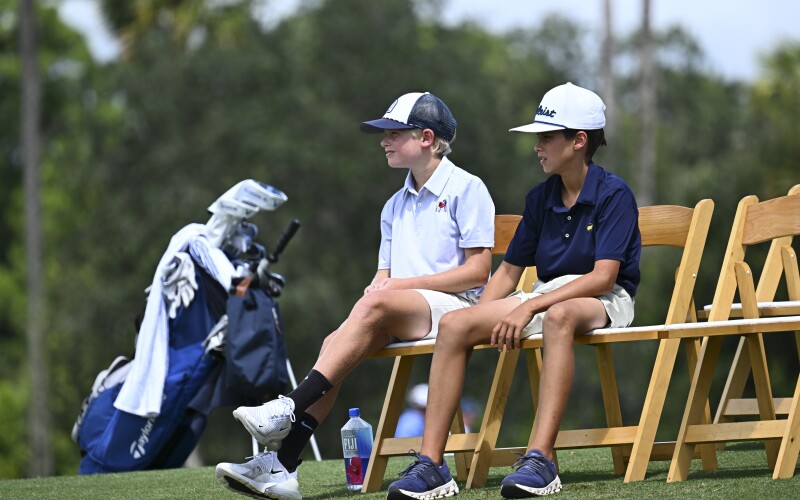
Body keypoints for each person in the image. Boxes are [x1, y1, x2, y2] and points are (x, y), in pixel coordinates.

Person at [215, 91, 496, 499]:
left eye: (394, 133)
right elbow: (382, 277)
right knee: (335, 344)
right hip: (403, 310)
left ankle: (289, 408)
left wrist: (389, 289)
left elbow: (478, 271)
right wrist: (378, 292)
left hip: (459, 311)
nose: (384, 140)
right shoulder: (392, 207)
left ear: (427, 138)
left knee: (371, 308)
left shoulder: (468, 188)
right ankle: (282, 467)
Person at [387, 82, 640, 499]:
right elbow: (508, 272)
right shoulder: (540, 197)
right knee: (453, 324)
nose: (537, 146)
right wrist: (475, 319)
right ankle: (432, 466)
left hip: (603, 300)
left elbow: (603, 278)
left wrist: (528, 307)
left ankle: (541, 459)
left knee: (560, 316)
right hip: (545, 294)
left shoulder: (614, 194)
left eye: (546, 137)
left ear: (579, 141)